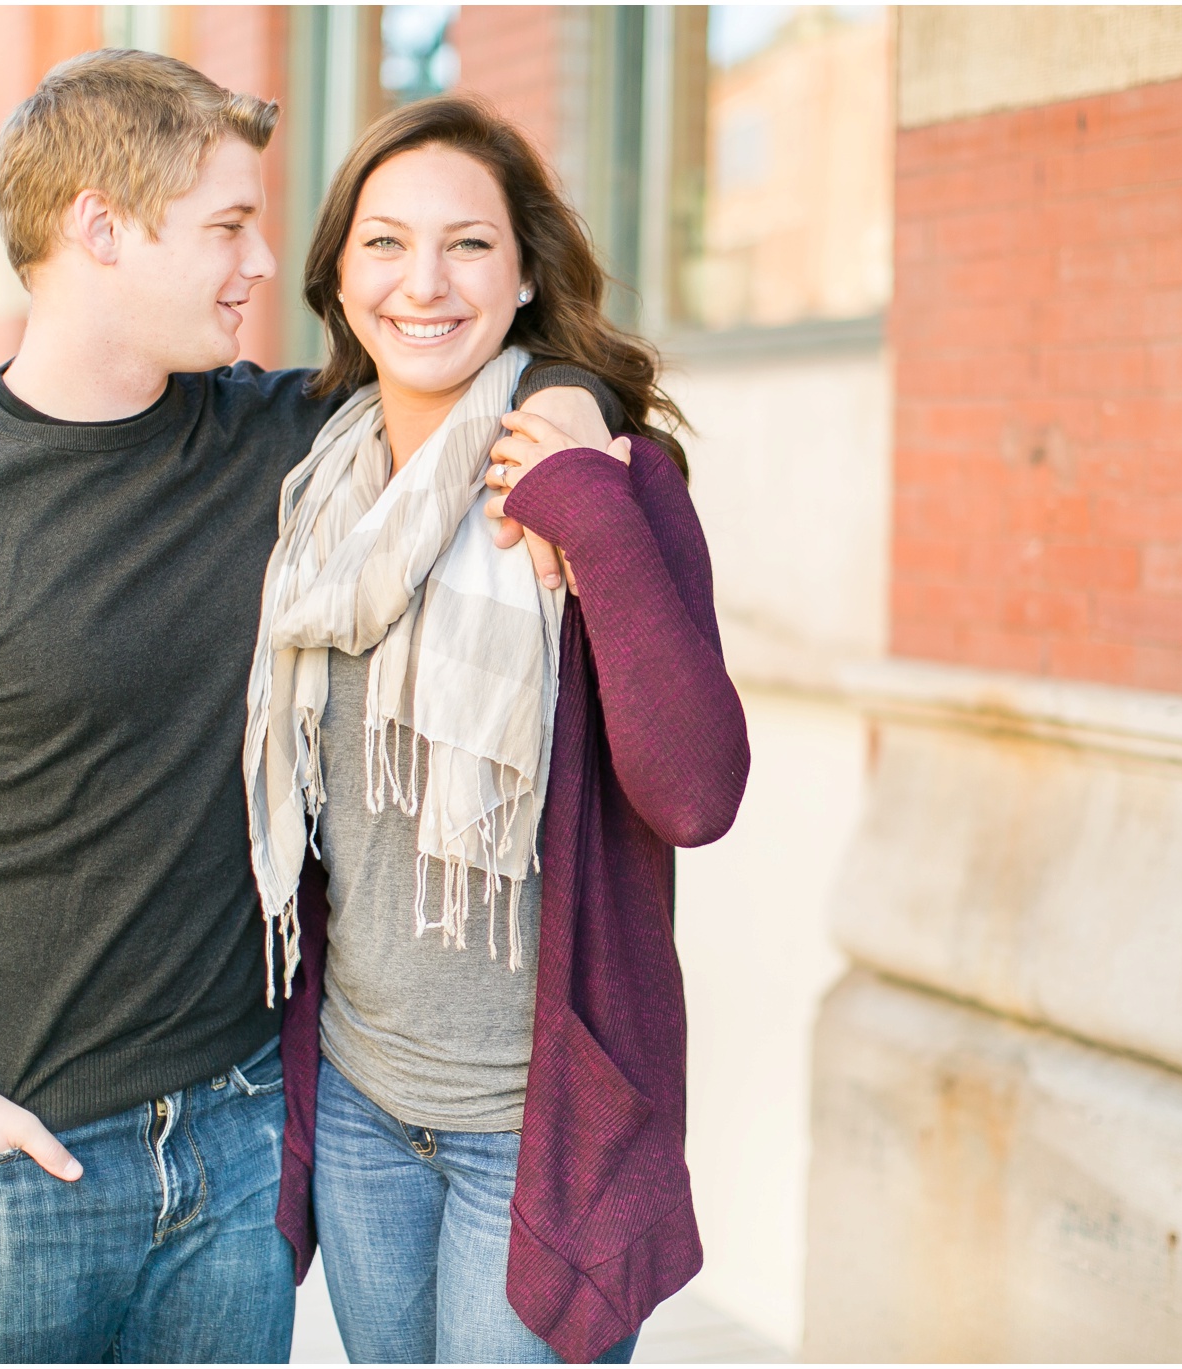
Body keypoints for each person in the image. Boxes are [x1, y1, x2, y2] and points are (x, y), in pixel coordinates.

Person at [0, 51, 616, 1364]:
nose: (263, 262)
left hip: (241, 1141)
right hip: (14, 1168)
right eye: (225, 226)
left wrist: (571, 400)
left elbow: (474, 361)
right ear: (101, 227)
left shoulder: (276, 442)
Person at [245, 95, 750, 1365]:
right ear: (338, 275)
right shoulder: (315, 484)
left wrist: (584, 501)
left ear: (525, 273)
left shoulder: (610, 480)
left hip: (534, 1130)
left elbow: (695, 792)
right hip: (361, 1102)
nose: (423, 283)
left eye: (467, 244)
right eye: (384, 244)